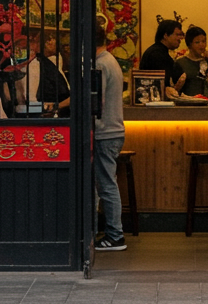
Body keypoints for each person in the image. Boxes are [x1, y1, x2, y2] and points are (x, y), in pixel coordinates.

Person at [93, 22, 127, 251]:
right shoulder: (110, 60)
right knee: (106, 183)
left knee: (106, 185)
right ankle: (111, 233)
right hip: (113, 129)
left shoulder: (100, 64)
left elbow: (97, 100)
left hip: (105, 131)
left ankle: (115, 235)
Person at [176, 25, 208, 99]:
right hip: (187, 104)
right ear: (189, 44)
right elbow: (175, 90)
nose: (201, 45)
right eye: (197, 42)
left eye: (204, 41)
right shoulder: (180, 63)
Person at [139, 19, 184, 84]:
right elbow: (161, 84)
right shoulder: (157, 54)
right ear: (165, 35)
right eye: (177, 35)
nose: (181, 38)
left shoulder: (159, 51)